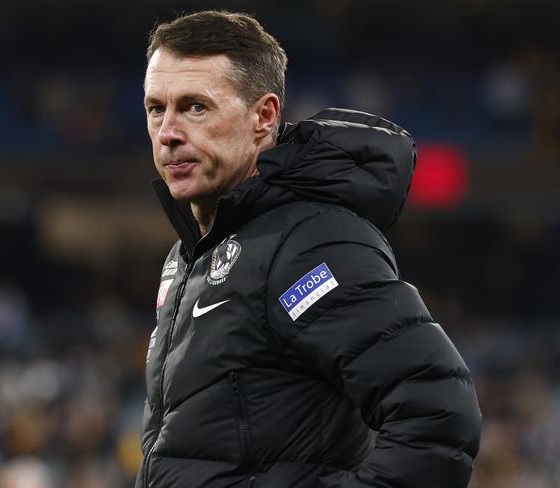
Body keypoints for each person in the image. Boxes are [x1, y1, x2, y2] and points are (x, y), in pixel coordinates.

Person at [138, 10, 481, 488]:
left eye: (196, 107)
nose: (169, 132)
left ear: (264, 117)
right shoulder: (186, 256)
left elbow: (438, 418)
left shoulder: (312, 242)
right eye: (157, 108)